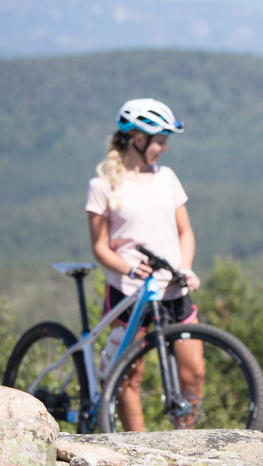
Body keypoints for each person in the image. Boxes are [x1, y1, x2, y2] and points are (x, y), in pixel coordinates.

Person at [86, 98, 203, 431]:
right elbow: (99, 247)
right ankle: (139, 448)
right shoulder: (102, 185)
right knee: (129, 377)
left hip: (172, 291)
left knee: (194, 370)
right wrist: (127, 268)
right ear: (137, 139)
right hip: (129, 293)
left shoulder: (167, 178)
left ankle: (187, 439)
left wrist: (187, 266)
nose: (165, 149)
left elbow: (186, 232)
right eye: (160, 142)